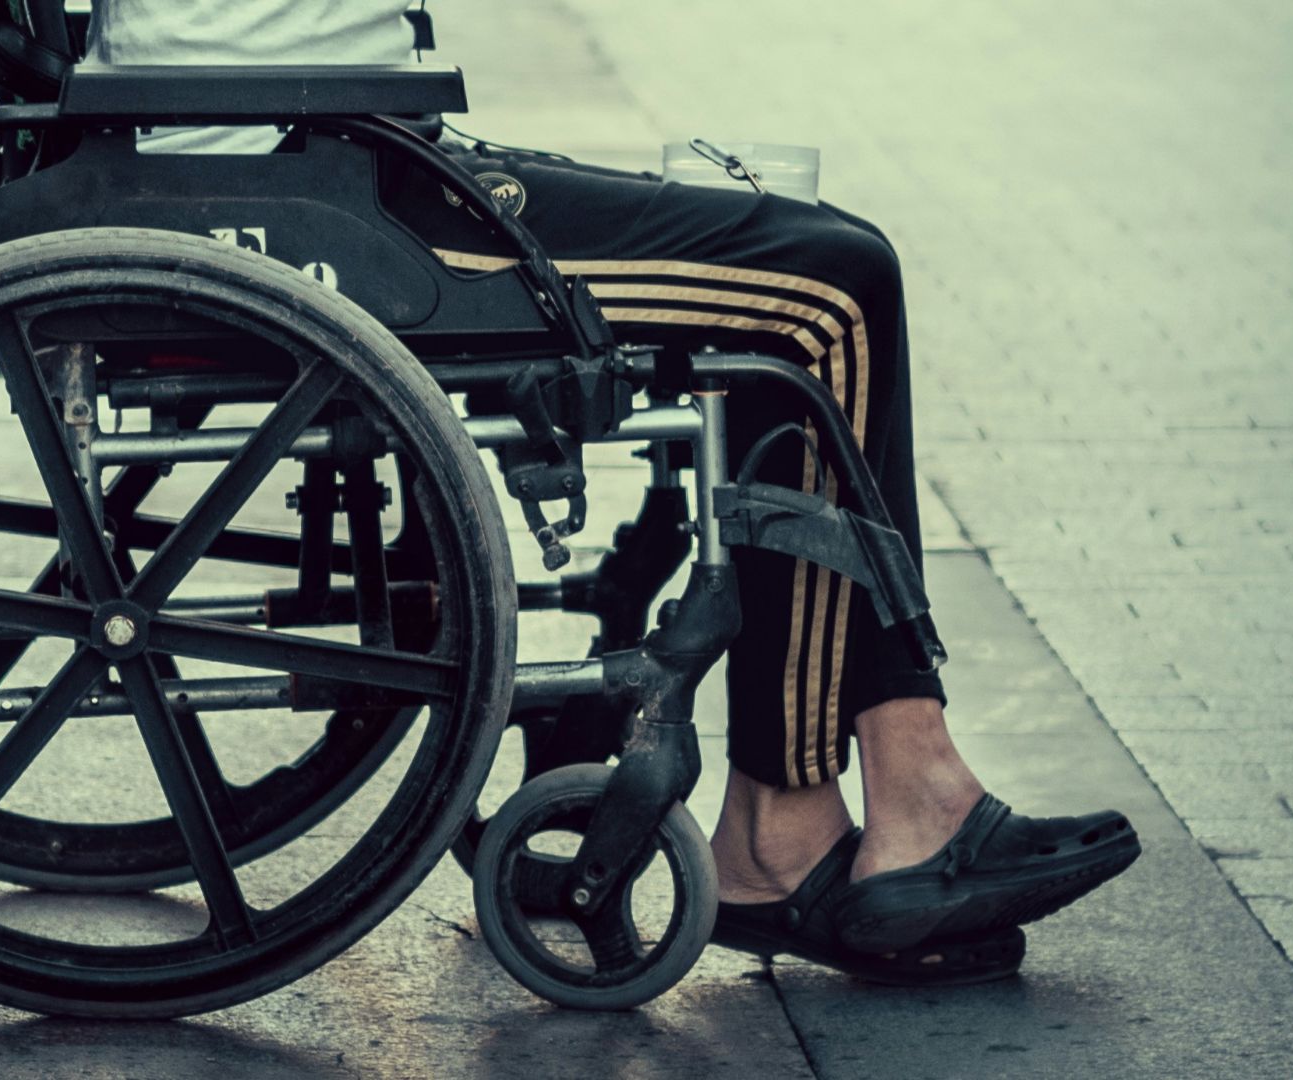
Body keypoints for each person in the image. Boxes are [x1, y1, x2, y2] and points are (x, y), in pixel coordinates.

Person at [92, 0, 1142, 983]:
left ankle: (799, 824)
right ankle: (872, 800)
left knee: (810, 261)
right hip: (323, 184)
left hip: (301, 151)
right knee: (828, 292)